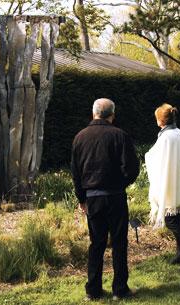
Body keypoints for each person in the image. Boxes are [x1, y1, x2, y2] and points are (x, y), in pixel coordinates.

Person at [71, 98, 140, 301]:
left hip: (92, 198)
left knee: (96, 244)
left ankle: (93, 290)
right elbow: (132, 168)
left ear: (93, 113)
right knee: (119, 243)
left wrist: (81, 197)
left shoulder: (80, 137)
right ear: (112, 115)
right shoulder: (120, 135)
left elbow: (76, 172)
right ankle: (120, 289)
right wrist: (121, 183)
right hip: (115, 196)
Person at [145, 103, 180, 272]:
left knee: (172, 221)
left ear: (160, 120)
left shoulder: (166, 137)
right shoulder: (177, 132)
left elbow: (157, 157)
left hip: (169, 183)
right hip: (176, 180)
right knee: (178, 218)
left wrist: (147, 155)